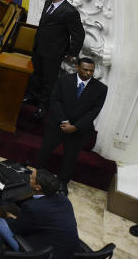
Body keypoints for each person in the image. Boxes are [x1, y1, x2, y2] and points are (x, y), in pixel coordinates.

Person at [37, 57, 106, 190]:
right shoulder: (64, 79)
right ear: (77, 67)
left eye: (91, 71)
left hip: (78, 130)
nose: (88, 73)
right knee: (45, 150)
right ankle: (39, 175)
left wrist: (75, 127)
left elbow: (94, 111)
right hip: (58, 124)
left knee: (70, 157)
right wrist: (64, 121)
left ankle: (63, 182)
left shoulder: (101, 88)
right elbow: (55, 99)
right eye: (85, 70)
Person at [0, 168, 79, 259]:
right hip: (65, 254)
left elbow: (16, 229)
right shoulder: (64, 199)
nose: (29, 177)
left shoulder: (33, 207)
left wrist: (10, 217)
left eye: (31, 178)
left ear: (38, 187)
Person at [28, 0, 85, 120]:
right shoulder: (48, 3)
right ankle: (33, 97)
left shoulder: (70, 11)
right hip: (39, 47)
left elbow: (79, 34)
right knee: (36, 74)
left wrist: (72, 52)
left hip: (53, 52)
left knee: (49, 80)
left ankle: (43, 106)